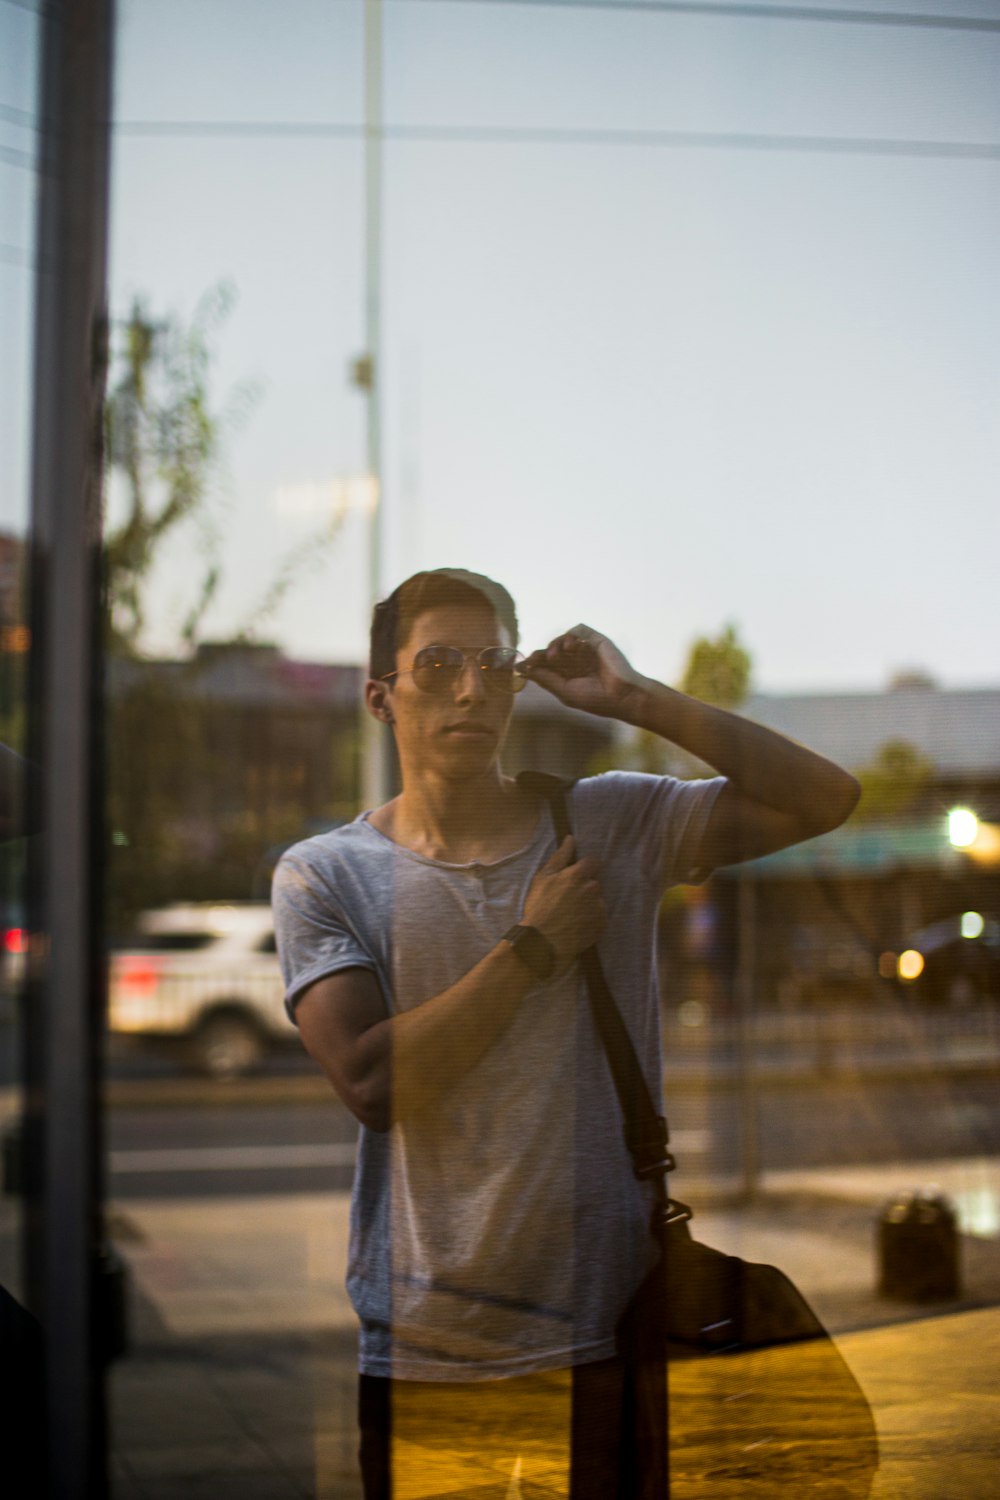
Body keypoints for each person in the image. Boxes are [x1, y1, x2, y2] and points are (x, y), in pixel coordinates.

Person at [271, 568, 860, 1499]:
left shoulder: (610, 820)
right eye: (437, 663)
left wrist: (637, 698)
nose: (470, 687)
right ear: (382, 696)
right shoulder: (326, 874)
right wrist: (533, 948)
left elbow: (823, 798)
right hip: (428, 1349)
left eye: (494, 662)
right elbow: (373, 1084)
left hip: (610, 1329)